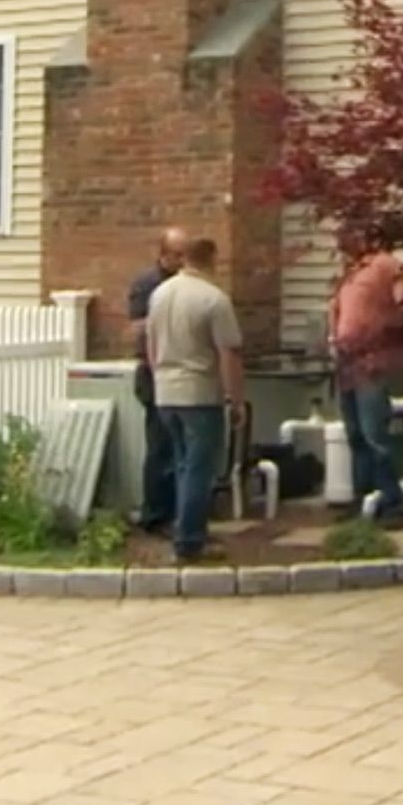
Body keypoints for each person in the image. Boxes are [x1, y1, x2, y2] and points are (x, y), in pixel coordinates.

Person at [143, 236, 245, 563]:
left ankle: (183, 529)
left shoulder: (160, 294)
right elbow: (228, 353)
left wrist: (159, 372)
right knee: (198, 470)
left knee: (181, 463)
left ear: (186, 259)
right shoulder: (214, 299)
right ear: (212, 259)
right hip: (199, 392)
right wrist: (235, 399)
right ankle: (189, 541)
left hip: (165, 391)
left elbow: (151, 342)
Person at [329, 247, 403, 526]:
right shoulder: (350, 273)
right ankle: (363, 500)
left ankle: (393, 504)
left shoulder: (386, 266)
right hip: (347, 363)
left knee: (374, 435)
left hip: (372, 363)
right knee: (355, 434)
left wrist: (384, 329)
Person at [126, 227, 187, 534]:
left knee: (178, 447)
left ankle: (177, 510)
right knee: (160, 446)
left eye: (184, 253)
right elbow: (139, 332)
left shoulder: (185, 284)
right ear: (162, 254)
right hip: (153, 374)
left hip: (179, 374)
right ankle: (155, 513)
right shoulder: (147, 285)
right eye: (177, 254)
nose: (182, 259)